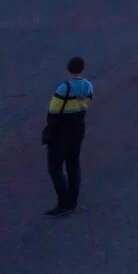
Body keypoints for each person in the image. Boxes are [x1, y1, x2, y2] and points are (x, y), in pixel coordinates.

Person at [43, 56, 92, 217]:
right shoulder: (88, 86)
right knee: (73, 164)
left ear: (68, 69)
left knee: (55, 168)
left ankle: (63, 202)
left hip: (61, 131)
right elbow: (86, 104)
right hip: (78, 128)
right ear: (82, 68)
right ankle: (73, 200)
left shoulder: (64, 88)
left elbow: (53, 110)